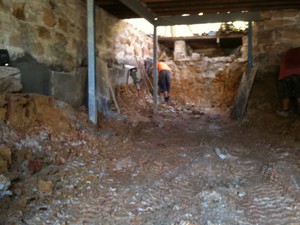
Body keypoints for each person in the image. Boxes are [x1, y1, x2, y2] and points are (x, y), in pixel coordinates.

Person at [276, 47, 300, 117]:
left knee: (285, 91)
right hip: (297, 73)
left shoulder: (288, 53)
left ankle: (285, 110)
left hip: (285, 73)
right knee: (299, 91)